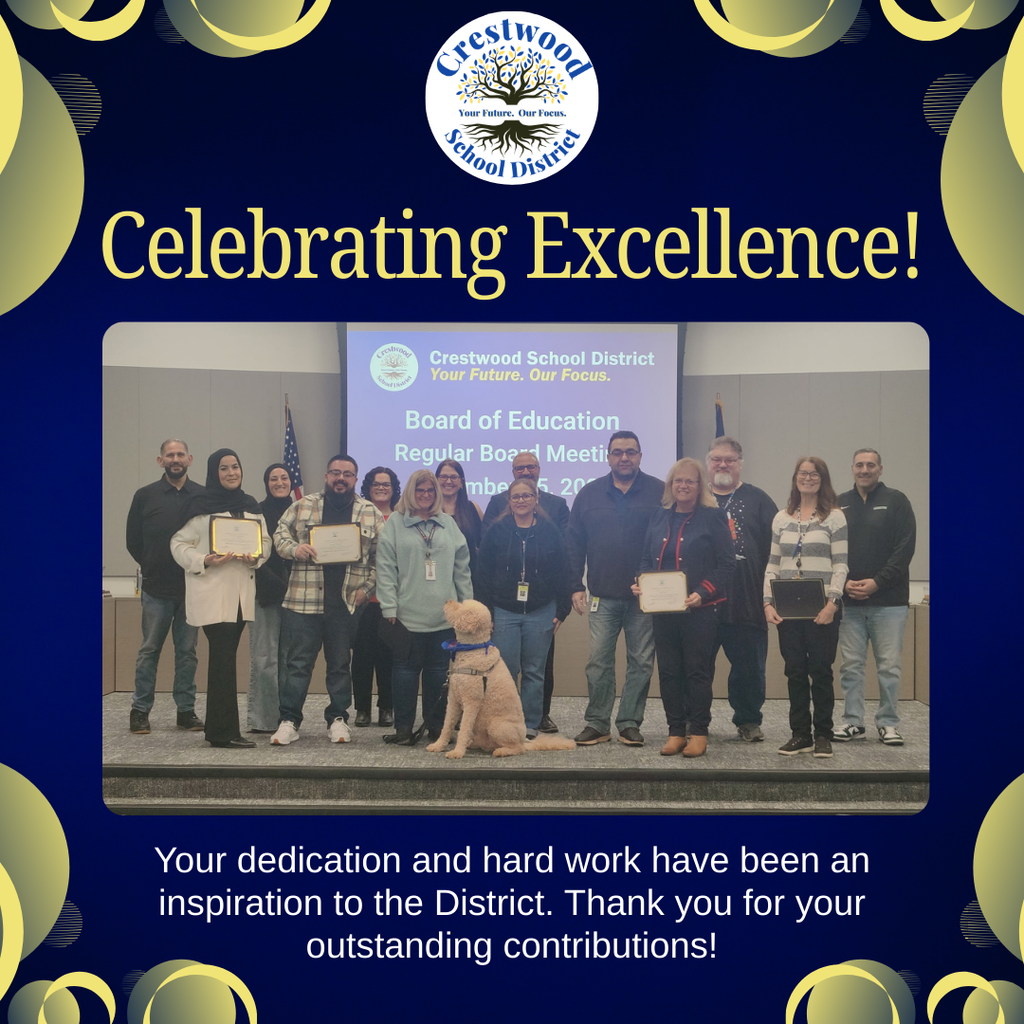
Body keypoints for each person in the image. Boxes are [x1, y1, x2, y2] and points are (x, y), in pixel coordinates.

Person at [270, 456, 384, 746]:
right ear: (326, 475)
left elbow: (381, 560)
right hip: (303, 601)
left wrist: (368, 589)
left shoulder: (370, 512)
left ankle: (337, 719)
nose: (340, 478)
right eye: (335, 472)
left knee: (339, 665)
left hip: (345, 602)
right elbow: (279, 535)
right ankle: (289, 721)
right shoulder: (303, 505)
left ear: (356, 479)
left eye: (347, 474)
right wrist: (295, 549)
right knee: (297, 665)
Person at [567, 431, 665, 747]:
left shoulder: (659, 492)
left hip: (644, 595)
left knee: (641, 662)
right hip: (601, 595)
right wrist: (574, 585)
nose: (624, 457)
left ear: (640, 455)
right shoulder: (589, 493)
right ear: (608, 456)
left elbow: (668, 540)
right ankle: (597, 723)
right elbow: (574, 543)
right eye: (618, 452)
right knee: (598, 661)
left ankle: (628, 723)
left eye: (631, 452)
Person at [633, 458, 735, 757]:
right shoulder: (659, 515)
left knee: (697, 672)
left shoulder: (713, 517)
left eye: (690, 481)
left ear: (699, 485)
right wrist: (641, 583)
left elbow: (727, 565)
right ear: (670, 485)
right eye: (678, 481)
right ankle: (675, 731)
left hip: (701, 610)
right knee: (668, 672)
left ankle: (699, 732)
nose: (683, 486)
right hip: (663, 610)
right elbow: (645, 559)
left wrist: (703, 592)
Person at [170, 449, 270, 749]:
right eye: (224, 468)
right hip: (213, 593)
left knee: (224, 660)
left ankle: (220, 730)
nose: (231, 473)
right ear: (214, 473)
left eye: (235, 467)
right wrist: (204, 559)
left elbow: (265, 541)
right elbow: (177, 544)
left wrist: (256, 557)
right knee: (223, 659)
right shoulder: (200, 505)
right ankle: (224, 732)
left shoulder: (250, 505)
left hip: (241, 596)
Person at [376, 469, 473, 745]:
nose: (426, 495)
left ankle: (437, 728)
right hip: (406, 616)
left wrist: (465, 607)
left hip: (444, 616)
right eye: (420, 490)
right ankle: (403, 730)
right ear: (410, 492)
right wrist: (389, 607)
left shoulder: (448, 524)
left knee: (437, 675)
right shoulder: (395, 523)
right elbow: (385, 568)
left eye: (430, 491)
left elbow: (462, 569)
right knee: (405, 674)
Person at [764, 457, 848, 759]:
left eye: (814, 474)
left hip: (821, 607)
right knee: (795, 671)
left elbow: (840, 564)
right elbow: (773, 564)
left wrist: (832, 602)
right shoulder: (781, 517)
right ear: (795, 478)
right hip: (787, 608)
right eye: (803, 473)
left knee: (821, 671)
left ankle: (823, 734)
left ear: (822, 479)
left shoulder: (834, 517)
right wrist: (767, 602)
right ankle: (801, 735)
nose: (808, 478)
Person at [475, 478, 571, 739]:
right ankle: (507, 719)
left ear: (536, 498)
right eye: (516, 496)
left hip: (541, 611)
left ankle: (530, 723)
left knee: (534, 672)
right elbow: (482, 573)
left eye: (526, 496)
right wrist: (488, 612)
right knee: (505, 672)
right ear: (509, 501)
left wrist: (562, 609)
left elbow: (563, 570)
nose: (521, 501)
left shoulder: (550, 531)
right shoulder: (497, 530)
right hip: (504, 611)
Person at [835, 448, 917, 746]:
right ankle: (853, 722)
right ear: (852, 468)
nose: (865, 469)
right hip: (849, 602)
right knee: (851, 665)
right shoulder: (838, 503)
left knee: (889, 666)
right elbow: (833, 550)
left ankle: (888, 723)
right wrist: (842, 584)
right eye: (859, 465)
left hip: (889, 602)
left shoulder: (896, 500)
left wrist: (877, 583)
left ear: (880, 469)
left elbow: (904, 549)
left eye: (871, 465)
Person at [125, 438, 205, 735]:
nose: (175, 459)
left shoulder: (202, 496)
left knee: (188, 653)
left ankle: (185, 711)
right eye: (170, 455)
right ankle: (140, 710)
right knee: (149, 651)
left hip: (192, 588)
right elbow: (133, 541)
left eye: (180, 454)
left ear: (190, 459)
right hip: (156, 589)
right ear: (161, 461)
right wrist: (151, 564)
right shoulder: (144, 495)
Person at [706, 437, 778, 742]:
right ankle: (695, 722)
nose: (723, 465)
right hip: (701, 603)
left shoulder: (759, 500)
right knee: (696, 669)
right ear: (707, 463)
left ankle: (748, 720)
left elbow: (775, 552)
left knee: (749, 669)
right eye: (716, 459)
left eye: (729, 460)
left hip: (747, 601)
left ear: (740, 464)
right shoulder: (695, 497)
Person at [351, 466, 401, 728]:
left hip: (391, 600)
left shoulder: (402, 518)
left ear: (394, 489)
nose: (382, 488)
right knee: (361, 656)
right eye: (376, 484)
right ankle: (361, 709)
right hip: (361, 598)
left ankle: (386, 708)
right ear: (368, 487)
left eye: (387, 484)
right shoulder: (357, 515)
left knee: (388, 657)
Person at [246, 463, 294, 733]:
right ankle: (262, 720)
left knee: (288, 661)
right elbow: (254, 555)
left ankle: (285, 718)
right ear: (267, 483)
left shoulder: (300, 511)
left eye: (284, 477)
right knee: (265, 659)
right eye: (273, 478)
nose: (279, 482)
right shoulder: (257, 512)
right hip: (265, 592)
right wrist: (278, 585)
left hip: (296, 597)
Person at [436, 458, 483, 564]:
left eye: (453, 477)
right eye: (443, 477)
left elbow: (482, 545)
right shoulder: (428, 511)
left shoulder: (473, 508)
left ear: (461, 482)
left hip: (469, 573)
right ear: (436, 480)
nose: (448, 481)